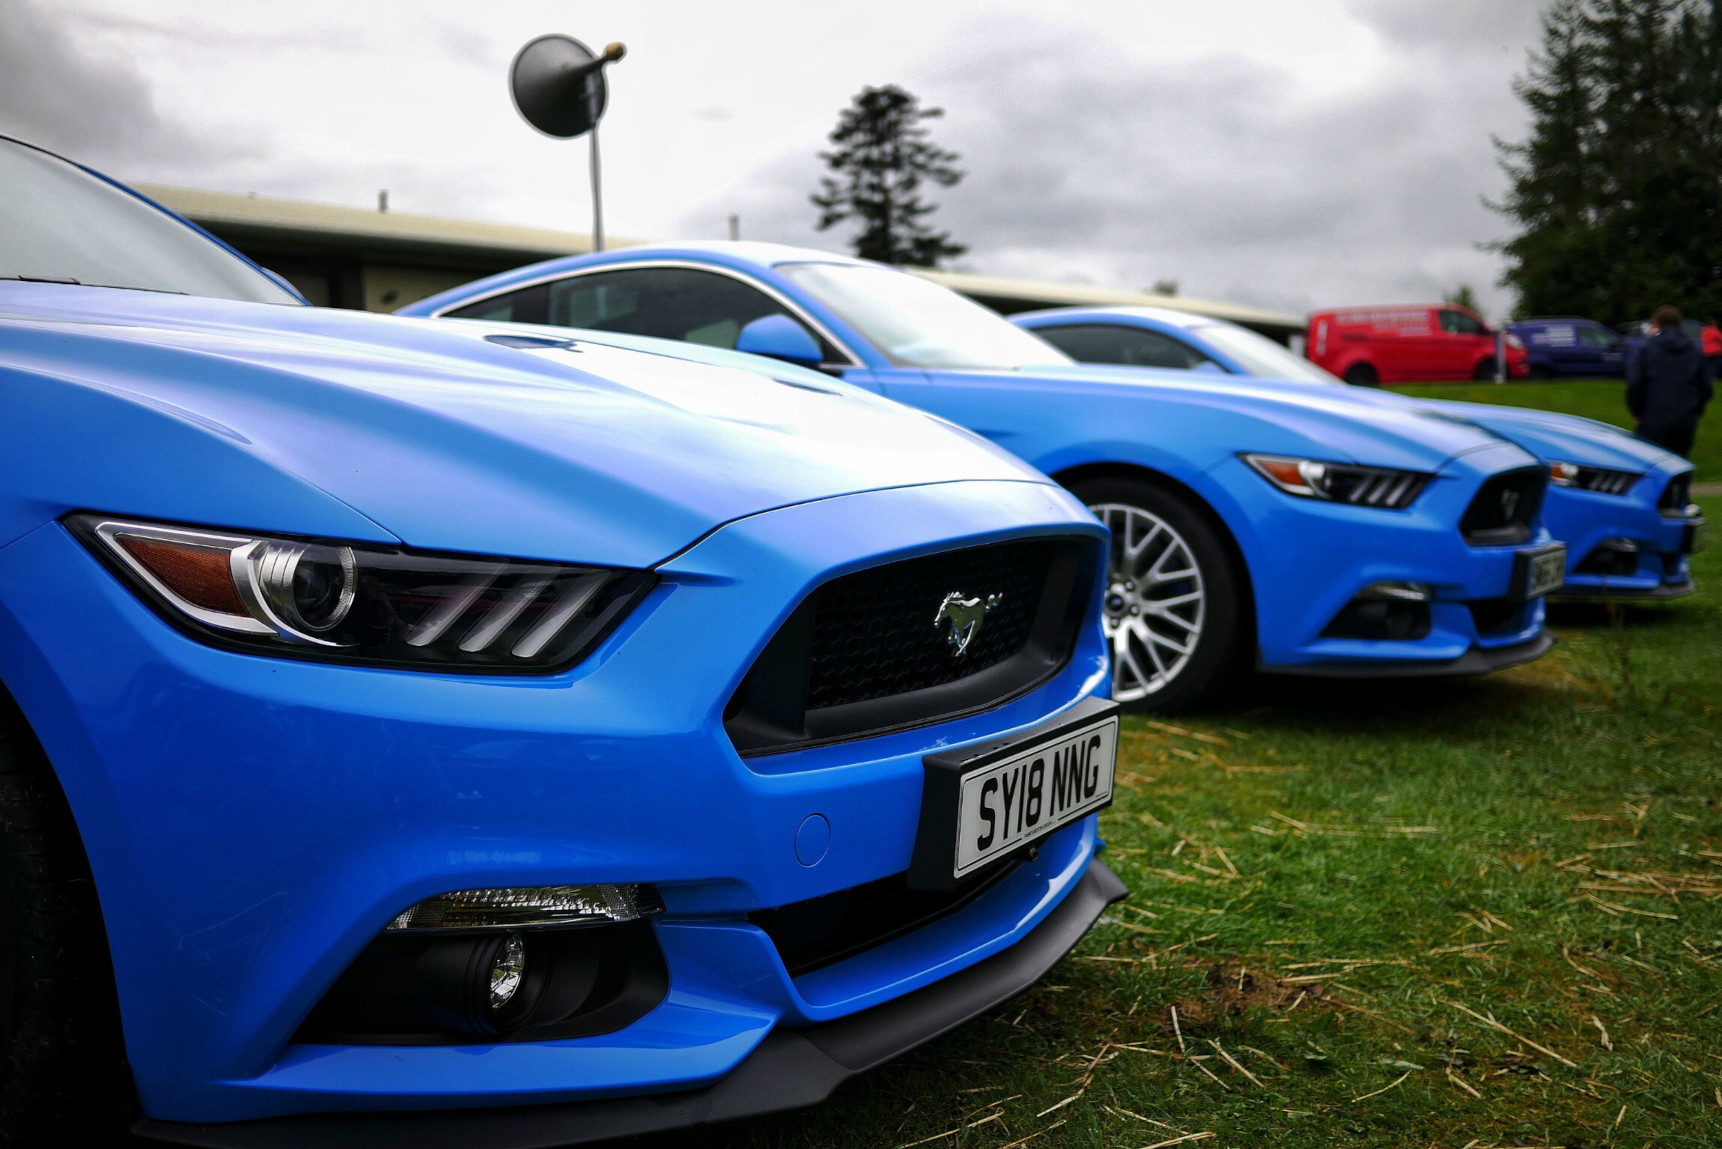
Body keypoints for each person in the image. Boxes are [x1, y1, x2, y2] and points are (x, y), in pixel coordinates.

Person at [1626, 305, 1711, 458]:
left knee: (1652, 466)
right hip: (1685, 419)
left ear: (1656, 324)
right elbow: (1705, 387)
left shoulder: (1647, 349)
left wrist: (1637, 412)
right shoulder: (1694, 350)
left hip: (1653, 419)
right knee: (1679, 466)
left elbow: (1635, 383)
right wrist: (1696, 411)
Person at [1703, 315, 1722, 381]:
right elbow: (1720, 339)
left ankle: (1707, 377)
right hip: (1715, 351)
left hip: (1706, 351)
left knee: (1707, 366)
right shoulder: (1715, 331)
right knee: (1714, 366)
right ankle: (1712, 378)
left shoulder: (1704, 331)